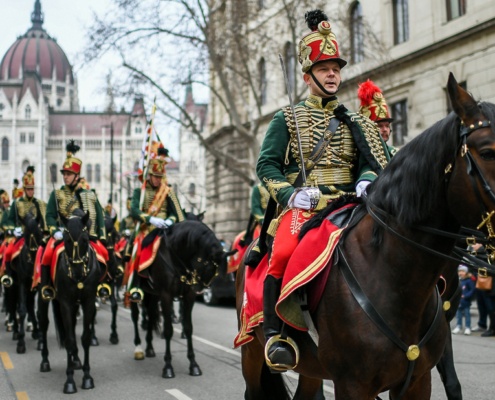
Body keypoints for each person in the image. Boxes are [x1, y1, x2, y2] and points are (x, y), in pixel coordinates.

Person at [255, 9, 390, 371]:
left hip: (351, 203)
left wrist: (365, 178)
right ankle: (276, 334)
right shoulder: (287, 119)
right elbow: (265, 165)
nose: (333, 74)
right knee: (282, 252)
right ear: (308, 74)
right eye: (325, 68)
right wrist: (290, 194)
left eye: (336, 68)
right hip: (307, 207)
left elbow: (370, 159)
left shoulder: (355, 120)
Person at [37, 140, 109, 301]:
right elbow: (49, 215)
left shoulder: (89, 194)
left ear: (77, 176)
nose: (65, 177)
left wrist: (101, 236)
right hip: (63, 236)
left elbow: (100, 217)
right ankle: (47, 286)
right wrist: (54, 231)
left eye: (68, 174)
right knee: (47, 254)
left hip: (84, 236)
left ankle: (104, 285)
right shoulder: (56, 194)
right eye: (64, 174)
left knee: (104, 253)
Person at [127, 147, 185, 303]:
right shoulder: (140, 191)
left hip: (165, 230)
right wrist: (149, 219)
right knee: (137, 250)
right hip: (146, 230)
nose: (158, 180)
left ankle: (183, 282)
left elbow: (175, 213)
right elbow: (134, 210)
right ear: (149, 175)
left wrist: (170, 221)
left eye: (160, 177)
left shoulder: (167, 191)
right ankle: (136, 286)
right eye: (155, 176)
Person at [2, 167, 48, 284]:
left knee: (48, 253)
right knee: (8, 252)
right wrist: (13, 229)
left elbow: (44, 220)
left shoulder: (40, 203)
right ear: (24, 189)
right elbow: (10, 220)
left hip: (37, 235)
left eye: (32, 189)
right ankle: (8, 276)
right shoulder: (17, 204)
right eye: (28, 189)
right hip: (21, 235)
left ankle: (49, 281)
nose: (30, 191)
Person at [358, 79, 397, 156]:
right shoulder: (360, 155)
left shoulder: (395, 153)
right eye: (379, 126)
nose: (385, 129)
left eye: (387, 126)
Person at [452, 264, 475, 335]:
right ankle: (458, 326)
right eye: (459, 271)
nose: (461, 273)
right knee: (458, 315)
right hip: (458, 301)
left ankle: (468, 327)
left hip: (466, 301)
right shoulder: (458, 281)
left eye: (463, 271)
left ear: (466, 272)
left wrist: (465, 296)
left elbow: (472, 290)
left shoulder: (469, 281)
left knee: (467, 314)